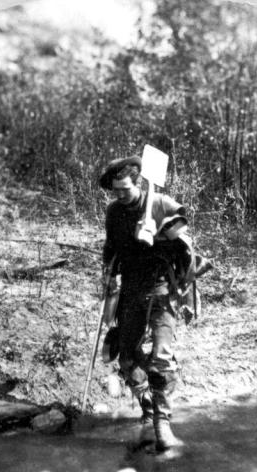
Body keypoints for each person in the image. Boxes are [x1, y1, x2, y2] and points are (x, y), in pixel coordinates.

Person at [98, 155, 194, 453]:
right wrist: (109, 275)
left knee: (162, 357)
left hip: (163, 289)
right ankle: (147, 402)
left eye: (125, 189)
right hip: (131, 290)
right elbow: (110, 249)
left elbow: (187, 247)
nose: (120, 196)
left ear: (137, 184)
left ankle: (162, 424)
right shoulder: (114, 212)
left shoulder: (160, 203)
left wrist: (161, 235)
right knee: (126, 355)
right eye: (115, 191)